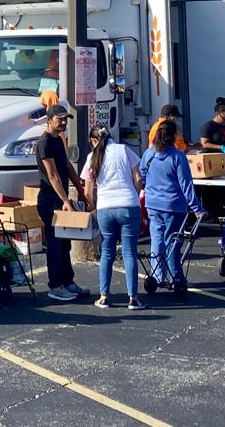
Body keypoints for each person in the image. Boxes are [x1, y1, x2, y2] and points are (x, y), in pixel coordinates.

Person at [139, 120, 206, 296]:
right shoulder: (177, 157)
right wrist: (197, 208)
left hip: (153, 204)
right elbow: (186, 185)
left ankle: (157, 275)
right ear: (174, 136)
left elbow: (142, 173)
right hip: (173, 205)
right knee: (173, 242)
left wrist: (151, 188)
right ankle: (176, 276)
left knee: (157, 240)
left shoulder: (149, 154)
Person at [82, 125, 145, 310]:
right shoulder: (124, 149)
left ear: (93, 141)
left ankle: (104, 297)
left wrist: (94, 208)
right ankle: (133, 299)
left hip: (105, 209)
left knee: (107, 252)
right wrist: (134, 194)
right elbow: (138, 178)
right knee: (129, 252)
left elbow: (87, 191)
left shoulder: (92, 157)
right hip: (128, 206)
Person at [35, 104, 91, 302]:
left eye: (65, 119)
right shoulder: (44, 143)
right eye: (60, 119)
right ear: (49, 120)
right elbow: (52, 175)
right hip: (50, 199)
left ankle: (68, 282)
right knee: (55, 244)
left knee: (65, 242)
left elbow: (66, 167)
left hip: (60, 198)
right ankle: (55, 285)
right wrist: (65, 201)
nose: (64, 123)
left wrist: (81, 191)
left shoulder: (58, 140)